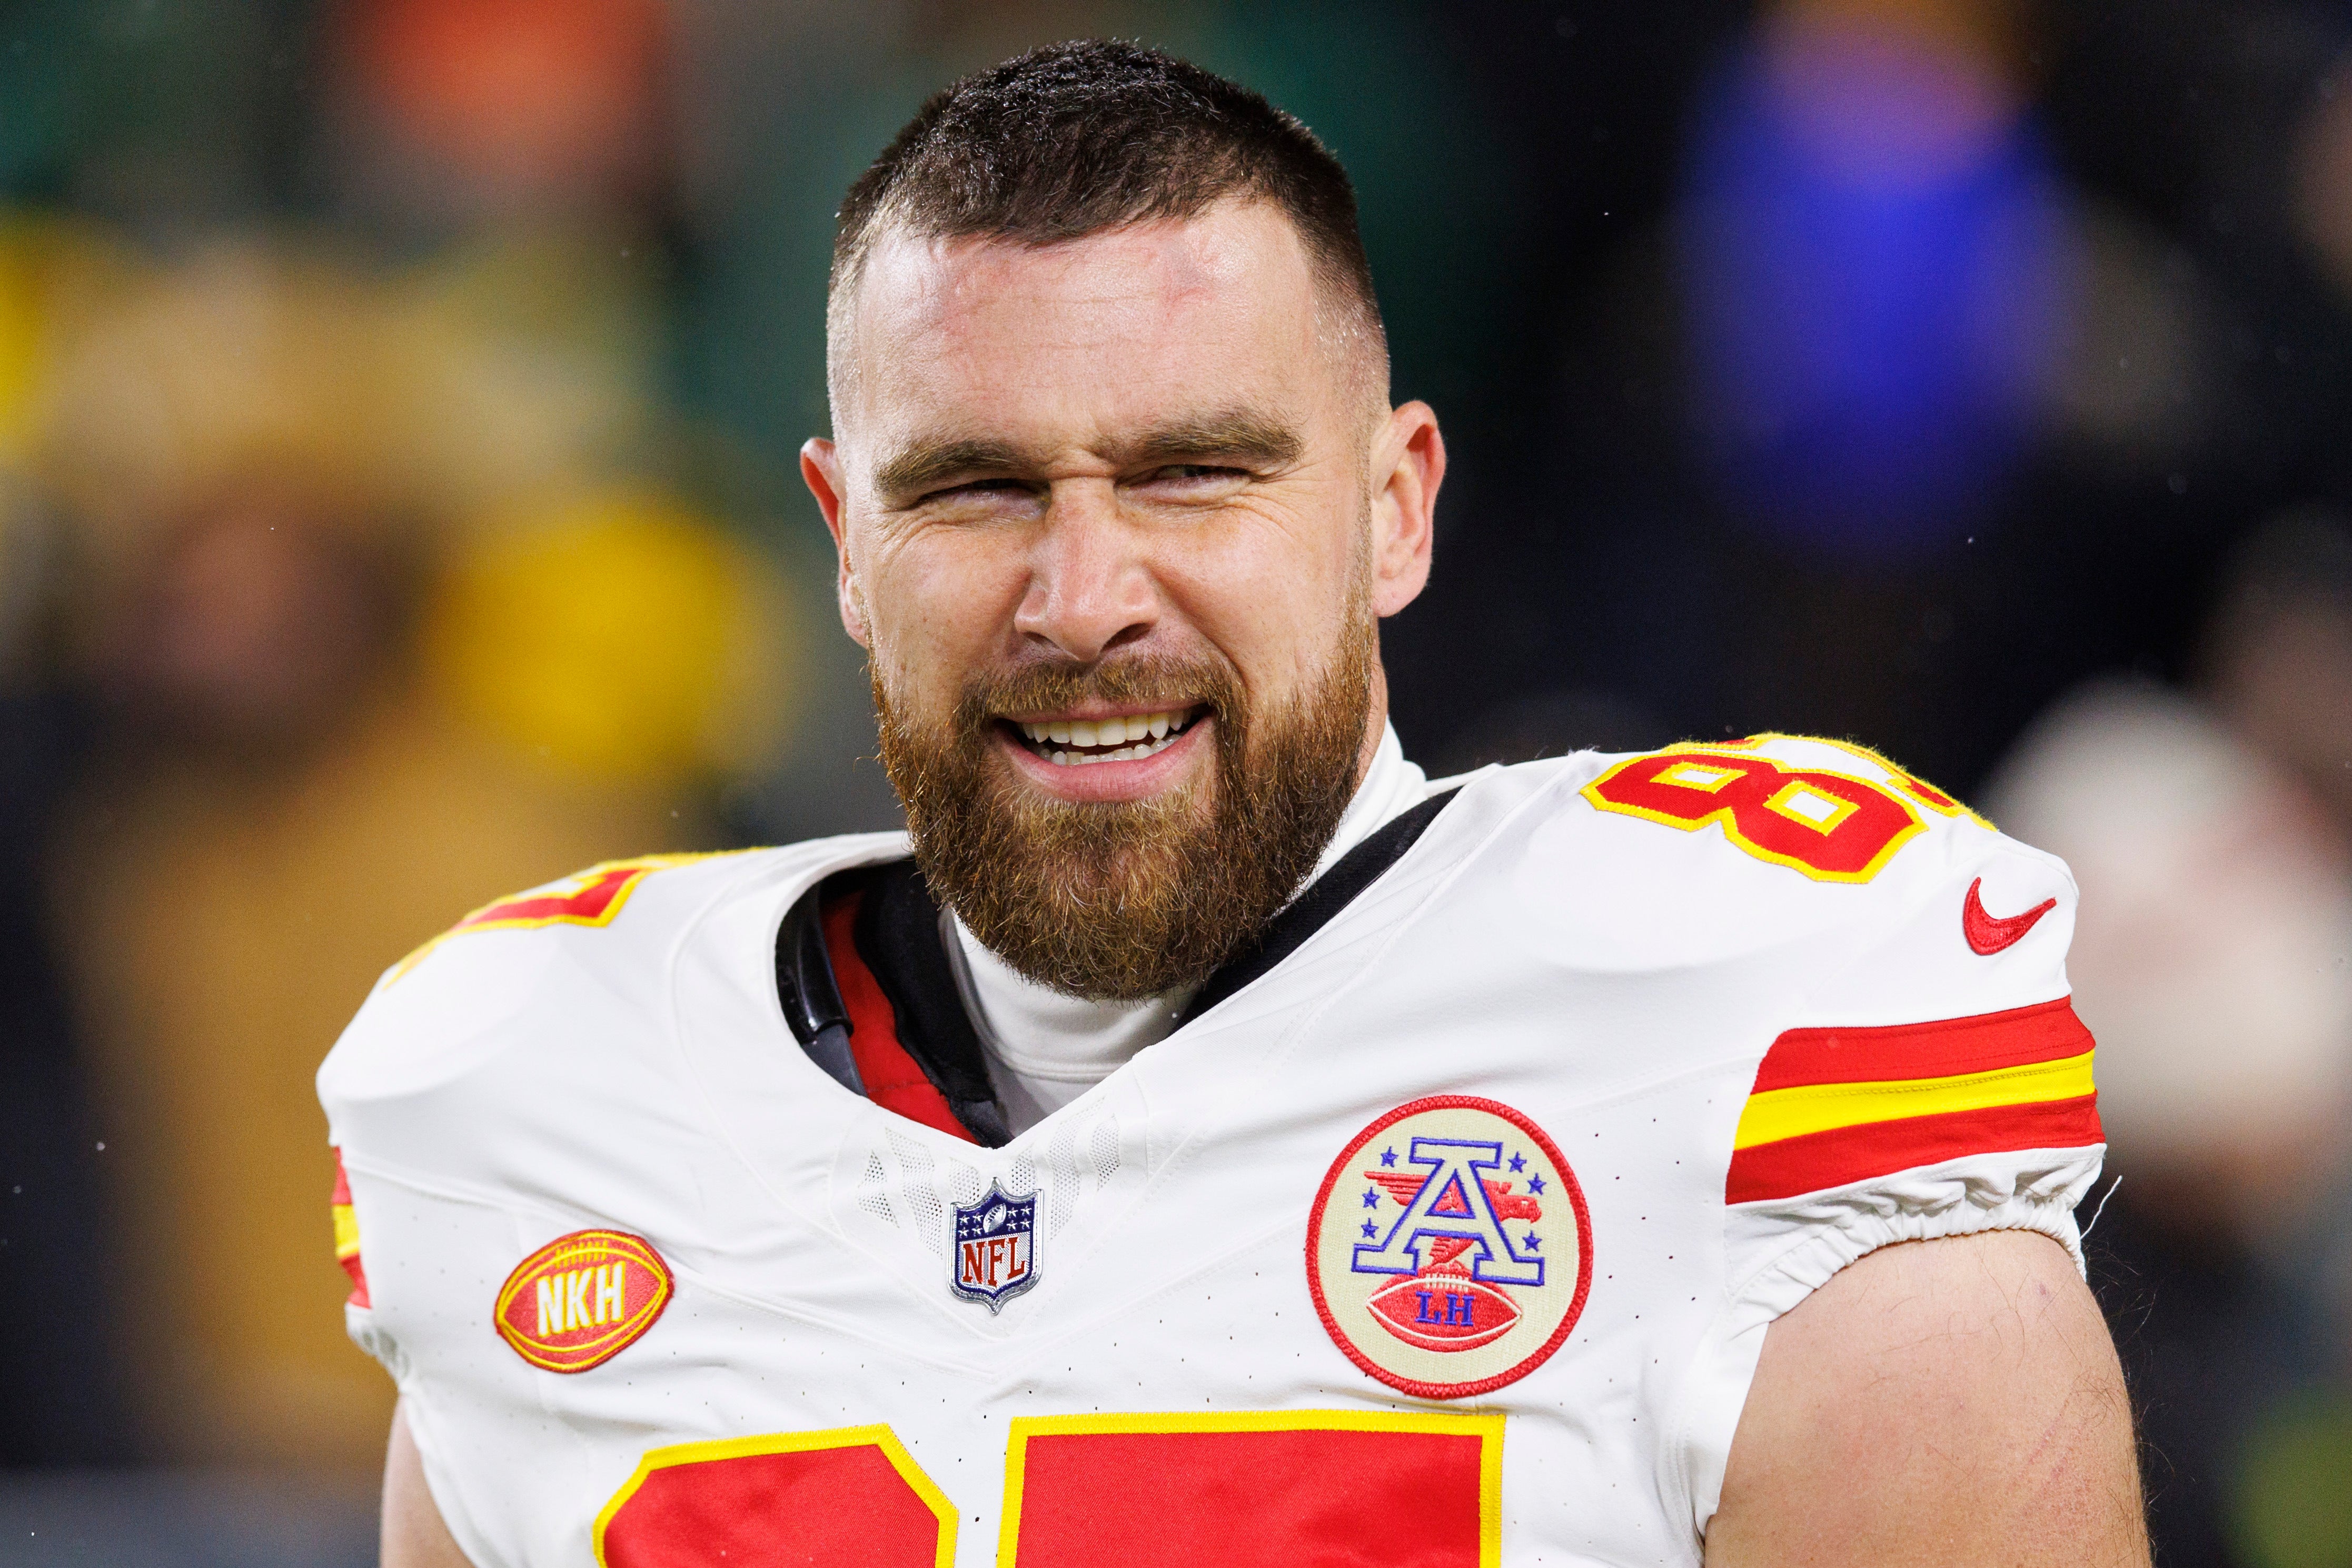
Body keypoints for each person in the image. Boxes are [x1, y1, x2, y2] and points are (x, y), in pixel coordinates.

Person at [324, 41, 2147, 1568]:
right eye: (972, 489)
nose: (1081, 593)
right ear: (843, 547)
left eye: (1193, 474)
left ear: (1391, 509)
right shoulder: (539, 1099)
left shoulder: (1738, 1010)